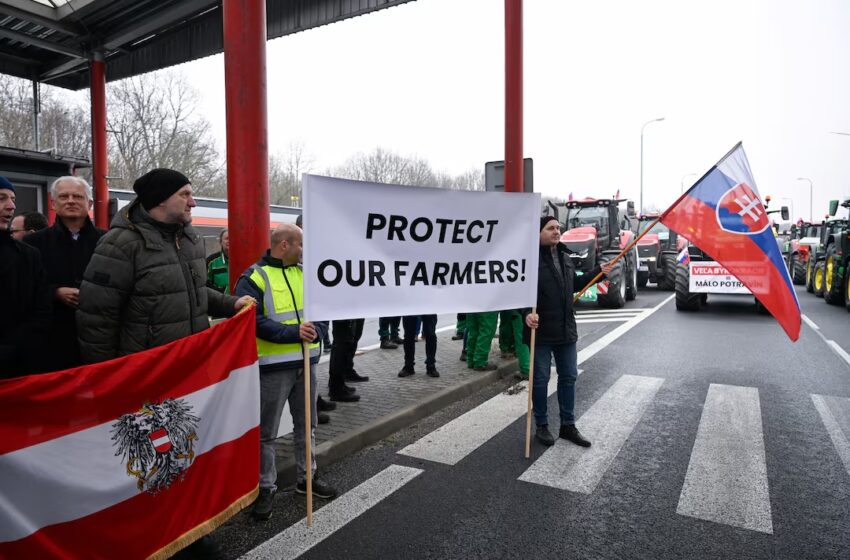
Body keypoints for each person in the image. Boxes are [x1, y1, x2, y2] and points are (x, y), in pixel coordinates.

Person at [77, 168, 252, 364]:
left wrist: (231, 304)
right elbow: (97, 318)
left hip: (192, 362)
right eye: (184, 195)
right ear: (160, 198)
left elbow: (190, 291)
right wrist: (107, 375)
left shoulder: (191, 240)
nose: (193, 203)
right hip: (146, 369)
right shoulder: (120, 245)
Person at [234, 223, 337, 520]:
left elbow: (321, 313)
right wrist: (294, 334)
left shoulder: (306, 274)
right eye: (300, 244)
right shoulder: (254, 277)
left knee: (307, 426)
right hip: (273, 368)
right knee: (266, 432)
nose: (304, 250)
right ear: (284, 245)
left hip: (307, 363)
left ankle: (308, 480)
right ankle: (265, 488)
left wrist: (316, 332)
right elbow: (251, 320)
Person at [523, 216, 614, 447]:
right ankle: (542, 426)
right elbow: (516, 291)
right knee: (541, 380)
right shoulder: (528, 260)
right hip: (540, 332)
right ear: (538, 233)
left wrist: (598, 272)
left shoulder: (565, 257)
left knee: (569, 377)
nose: (556, 231)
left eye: (558, 228)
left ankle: (567, 426)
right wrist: (526, 313)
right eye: (550, 228)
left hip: (566, 329)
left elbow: (575, 284)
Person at [25, 177, 104, 371]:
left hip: (99, 336)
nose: (70, 200)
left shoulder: (109, 240)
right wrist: (55, 292)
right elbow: (24, 287)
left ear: (89, 203)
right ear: (53, 203)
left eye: (77, 196)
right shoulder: (32, 243)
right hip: (51, 339)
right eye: (63, 196)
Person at [0, 177, 51, 379]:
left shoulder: (28, 255)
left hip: (18, 367)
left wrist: (11, 348)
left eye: (13, 199)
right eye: (2, 198)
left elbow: (41, 310)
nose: (11, 206)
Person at [328, 318, 368, 401]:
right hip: (342, 315)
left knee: (345, 345)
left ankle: (339, 384)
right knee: (341, 346)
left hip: (344, 314)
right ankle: (336, 389)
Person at [206, 228, 230, 293]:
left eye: (233, 238)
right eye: (227, 238)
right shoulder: (211, 261)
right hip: (219, 301)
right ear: (220, 242)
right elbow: (205, 284)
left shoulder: (243, 260)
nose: (230, 240)